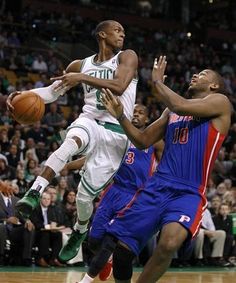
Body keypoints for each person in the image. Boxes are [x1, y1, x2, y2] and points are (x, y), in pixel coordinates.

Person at [7, 20, 138, 262]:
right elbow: (50, 93)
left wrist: (81, 78)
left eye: (123, 30)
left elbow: (119, 86)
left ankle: (80, 230)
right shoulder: (80, 65)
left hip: (117, 134)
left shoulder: (127, 57)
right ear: (102, 34)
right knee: (70, 142)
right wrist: (22, 95)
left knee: (84, 198)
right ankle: (34, 192)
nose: (122, 33)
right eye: (117, 30)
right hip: (90, 121)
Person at [100, 55, 231, 283]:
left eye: (202, 74)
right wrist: (121, 115)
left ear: (214, 85)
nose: (195, 75)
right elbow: (142, 140)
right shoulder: (171, 113)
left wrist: (158, 82)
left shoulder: (220, 102)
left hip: (188, 192)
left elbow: (180, 103)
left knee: (169, 243)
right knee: (121, 252)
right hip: (156, 186)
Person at [72, 104, 163, 283]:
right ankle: (108, 259)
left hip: (134, 196)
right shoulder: (118, 135)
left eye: (141, 113)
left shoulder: (154, 141)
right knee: (94, 240)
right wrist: (66, 166)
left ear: (147, 119)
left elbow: (168, 165)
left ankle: (86, 280)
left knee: (110, 240)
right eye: (134, 111)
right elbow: (93, 157)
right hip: (113, 191)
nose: (136, 114)